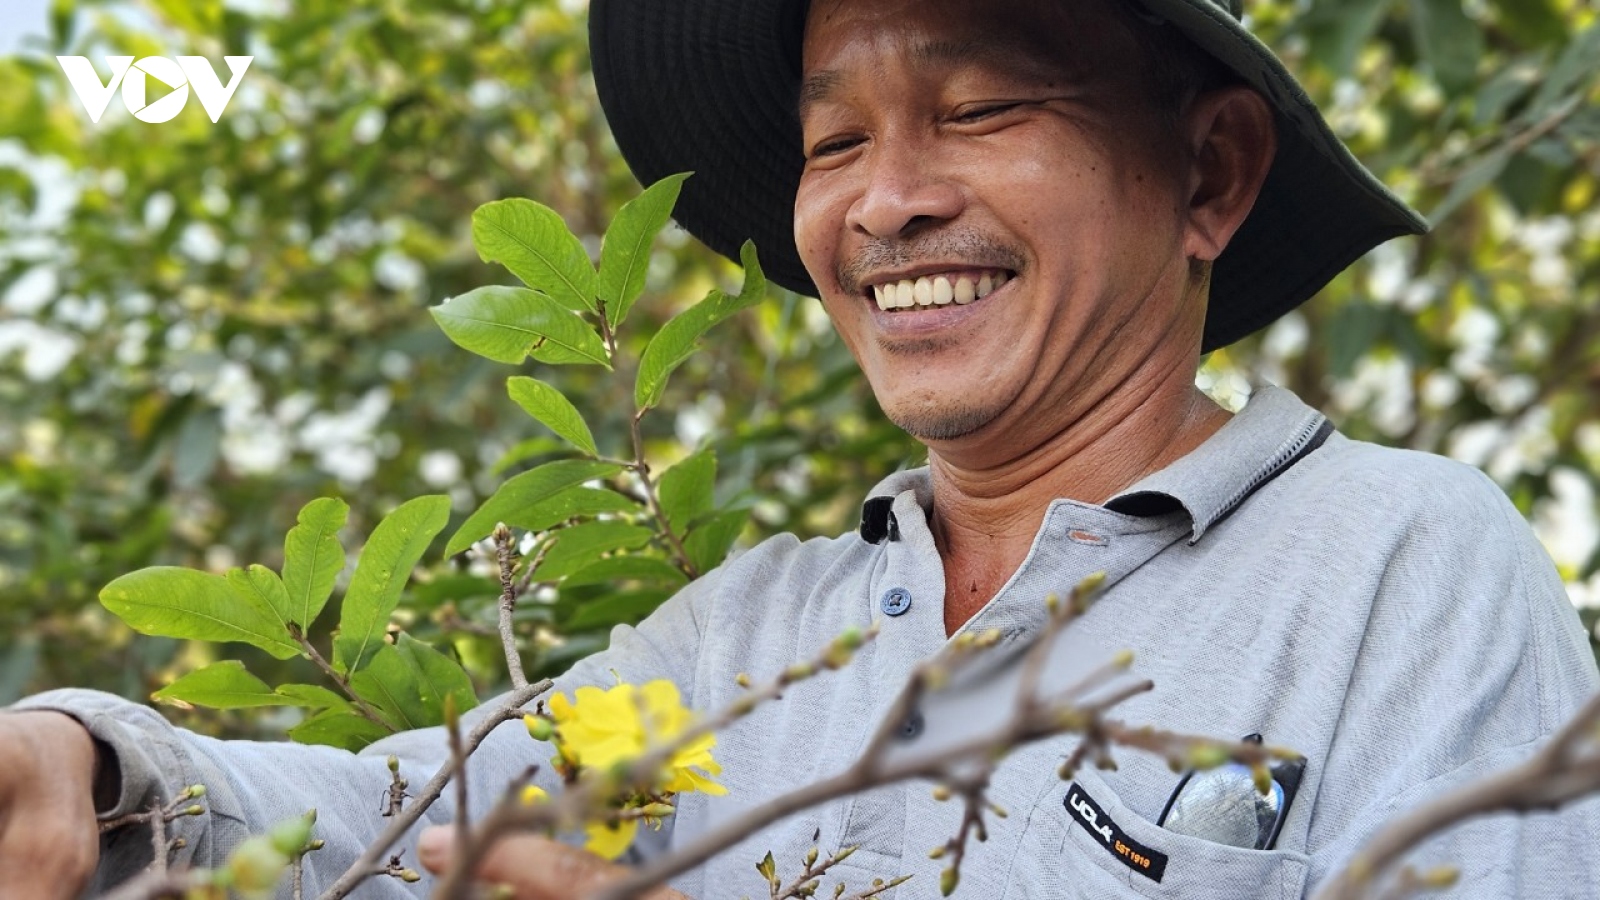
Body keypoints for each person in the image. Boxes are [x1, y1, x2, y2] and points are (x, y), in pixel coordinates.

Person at [4, 0, 1598, 897]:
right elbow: (415, 823)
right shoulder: (740, 650)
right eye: (837, 140)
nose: (882, 200)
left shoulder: (1402, 568)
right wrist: (96, 770)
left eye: (977, 112)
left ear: (1210, 174)